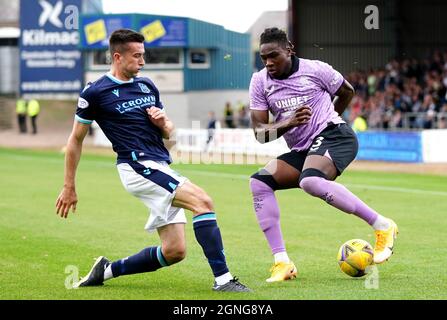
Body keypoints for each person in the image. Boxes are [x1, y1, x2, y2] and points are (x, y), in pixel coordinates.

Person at [55, 29, 250, 292]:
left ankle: (106, 270)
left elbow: (169, 136)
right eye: (137, 56)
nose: (142, 61)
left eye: (143, 55)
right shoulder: (95, 93)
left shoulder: (147, 86)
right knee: (203, 201)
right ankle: (224, 280)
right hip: (137, 166)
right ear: (117, 57)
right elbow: (75, 140)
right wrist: (69, 185)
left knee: (174, 251)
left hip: (159, 164)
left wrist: (164, 124)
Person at [248, 27, 398, 283]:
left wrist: (330, 118)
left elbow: (347, 91)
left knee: (310, 181)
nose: (269, 63)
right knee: (259, 182)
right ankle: (282, 262)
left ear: (289, 49)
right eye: (264, 58)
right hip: (303, 149)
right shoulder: (260, 81)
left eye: (274, 56)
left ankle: (383, 225)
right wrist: (289, 123)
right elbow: (260, 133)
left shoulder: (316, 70)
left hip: (335, 135)